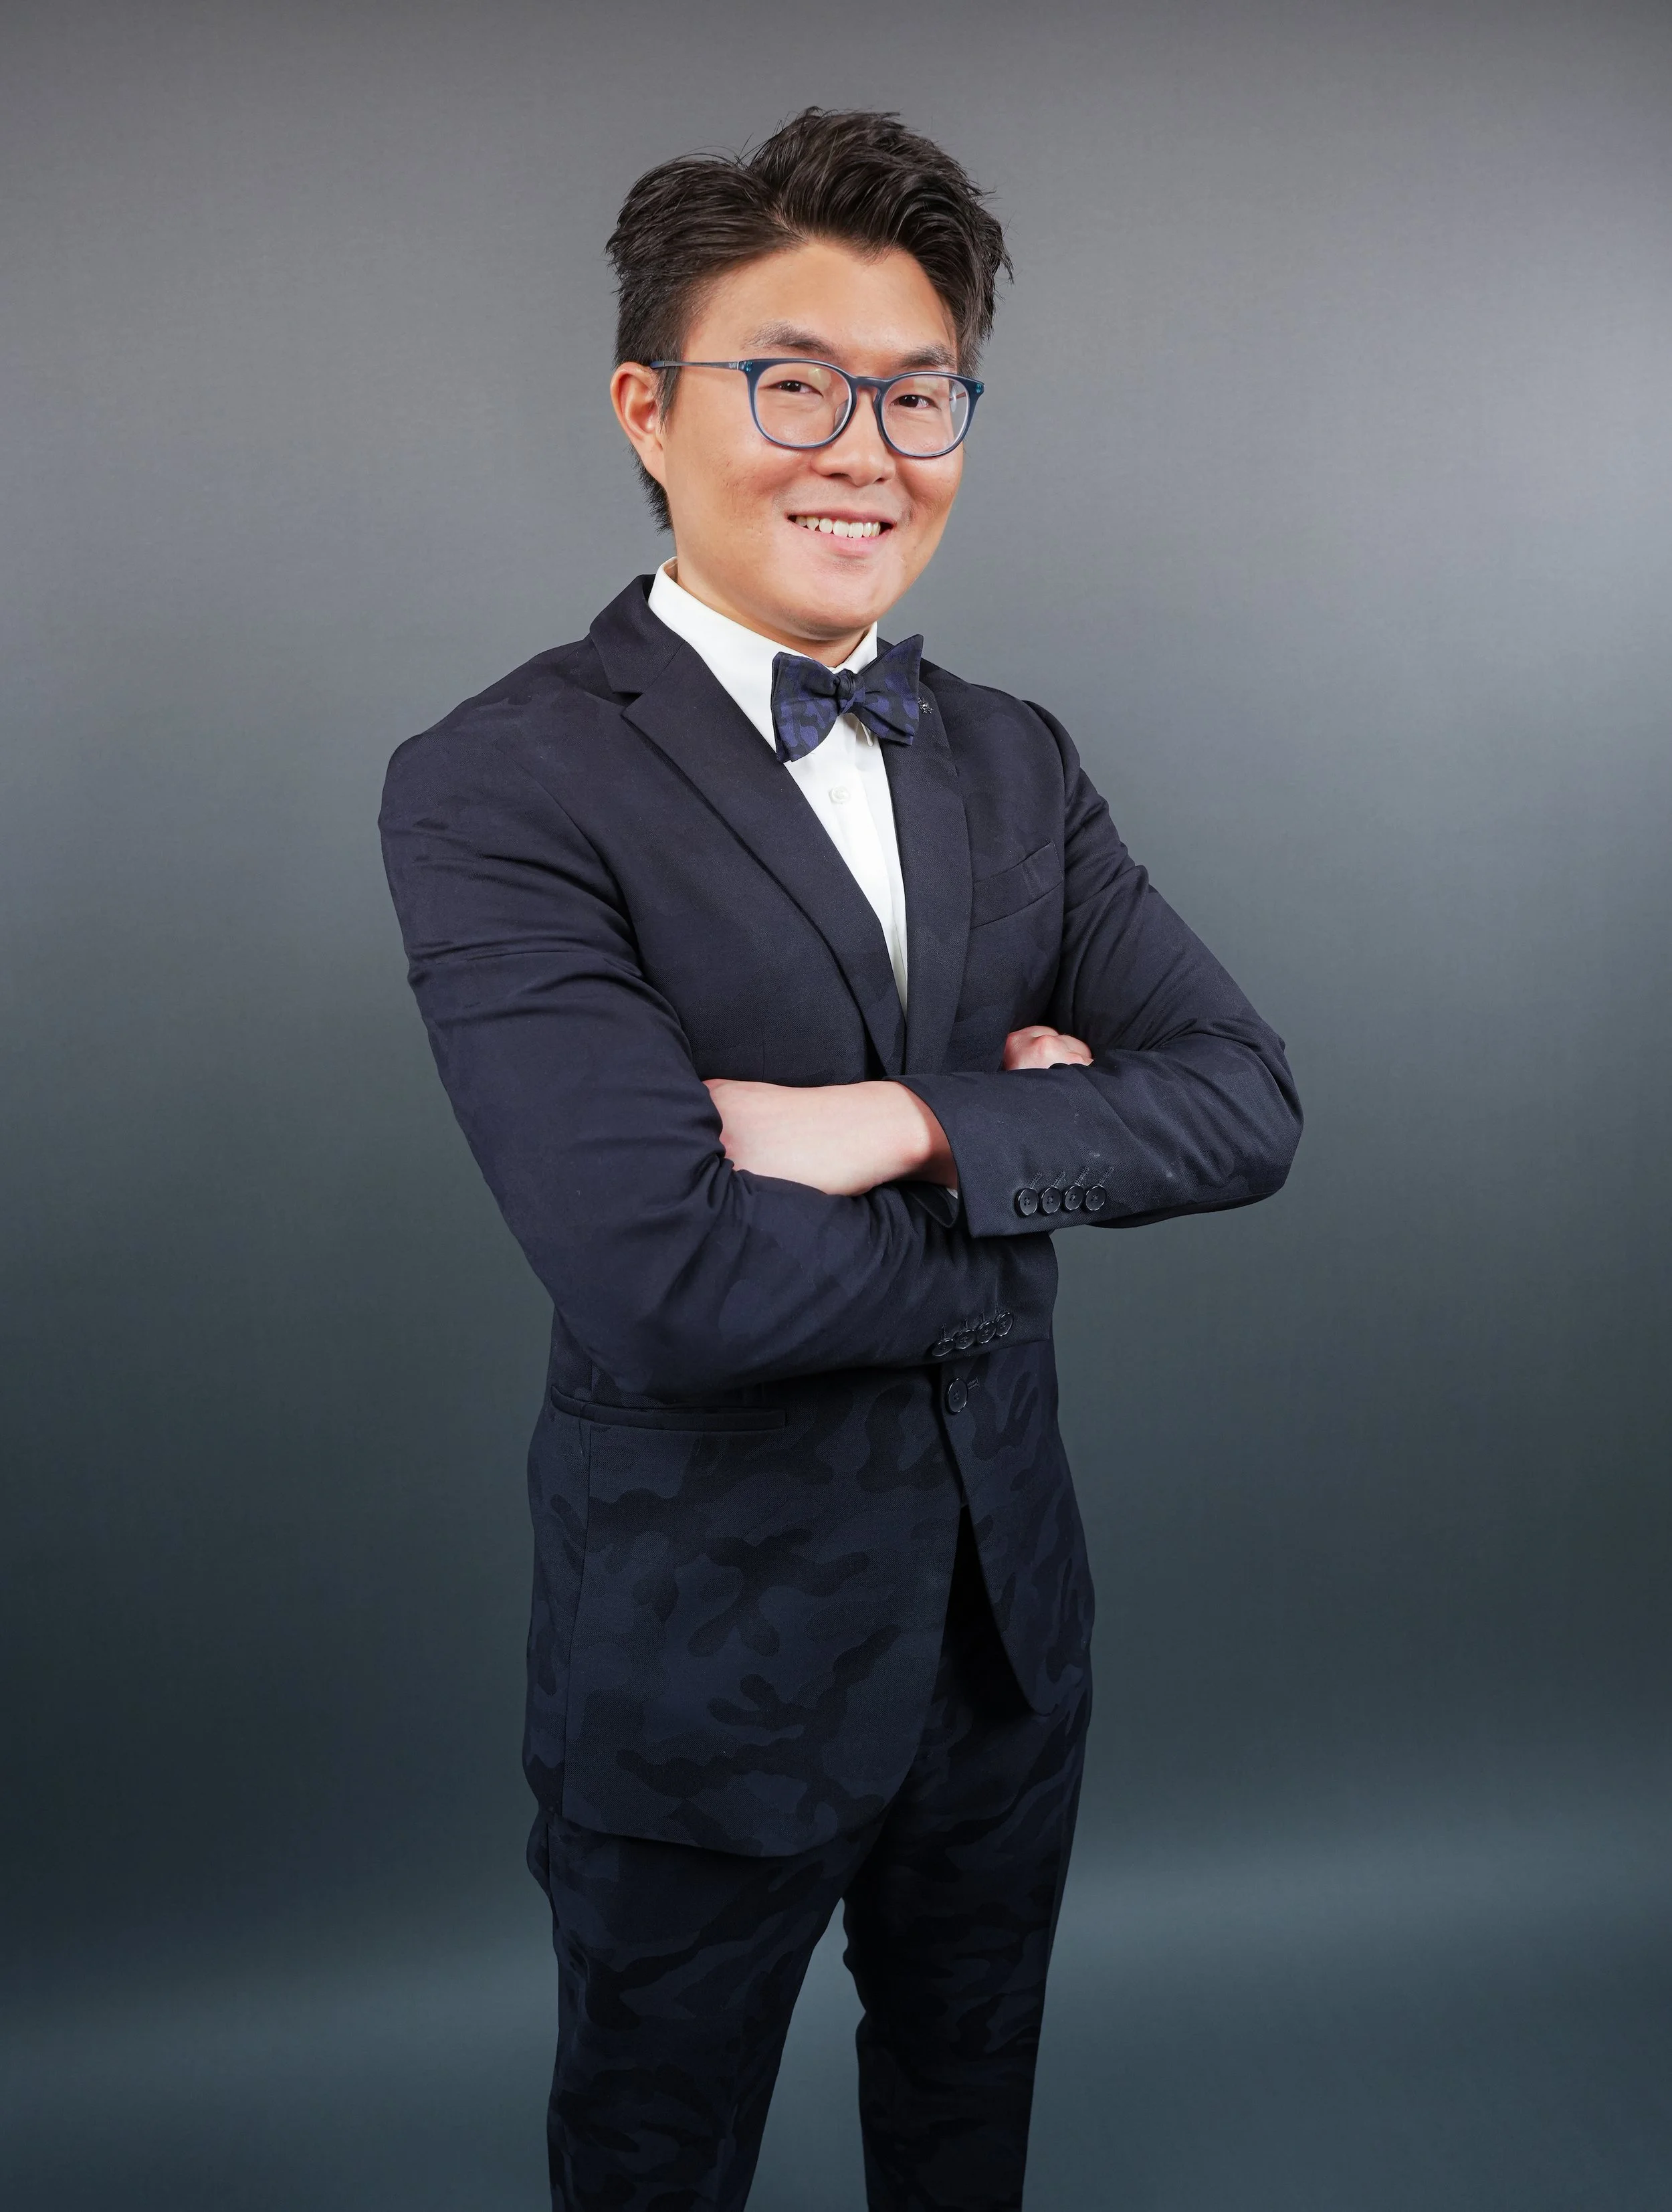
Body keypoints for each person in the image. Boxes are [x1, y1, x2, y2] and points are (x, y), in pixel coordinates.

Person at [379, 106, 1300, 2212]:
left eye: (916, 393)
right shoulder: (498, 781)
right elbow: (663, 1280)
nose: (863, 452)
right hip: (701, 1673)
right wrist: (1042, 1173)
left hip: (1005, 1639)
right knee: (654, 2162)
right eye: (792, 385)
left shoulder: (1014, 757)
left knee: (965, 2141)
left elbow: (1246, 1100)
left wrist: (908, 1123)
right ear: (648, 409)